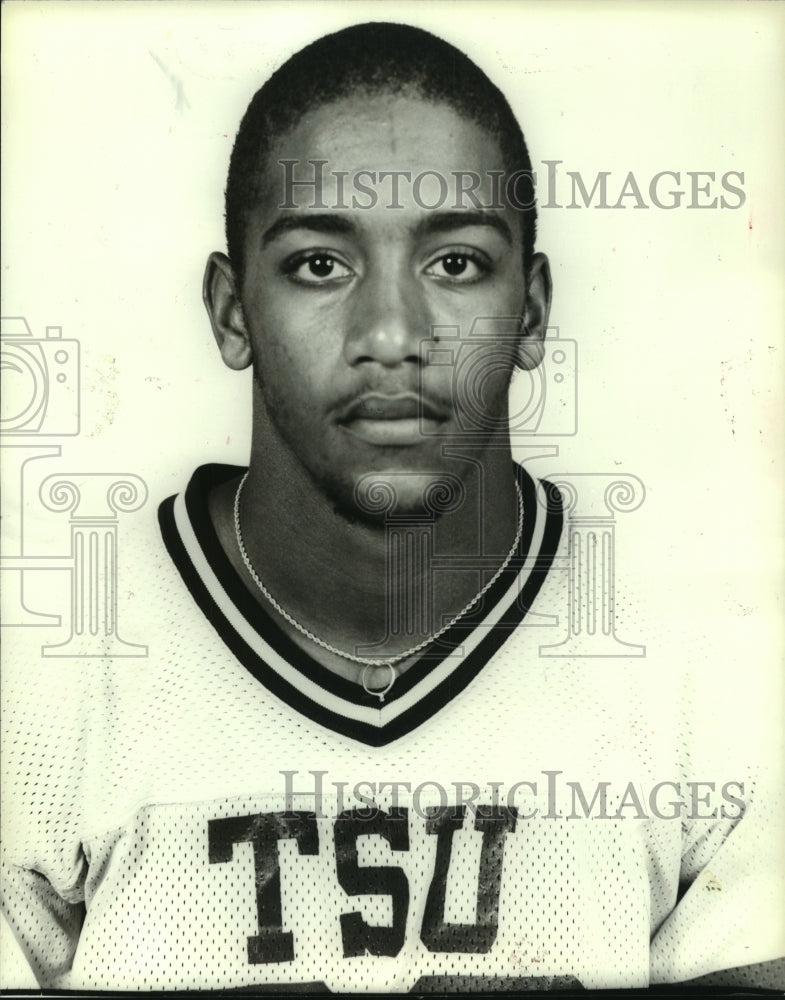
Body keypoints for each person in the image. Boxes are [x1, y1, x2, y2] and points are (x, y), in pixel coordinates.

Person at [1, 20, 782, 994]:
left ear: (532, 310)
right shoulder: (41, 669)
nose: (391, 333)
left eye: (453, 262)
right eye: (319, 264)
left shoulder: (706, 665)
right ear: (231, 309)